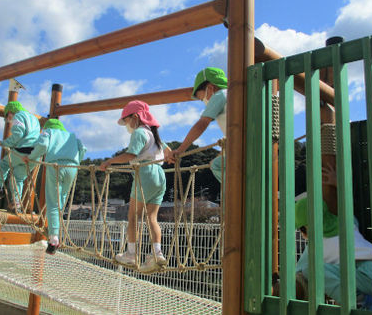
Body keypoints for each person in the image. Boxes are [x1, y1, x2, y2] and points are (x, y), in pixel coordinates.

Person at [294, 163, 372, 310]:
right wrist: (336, 182)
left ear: (306, 228)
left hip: (371, 281)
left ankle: (354, 302)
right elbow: (346, 202)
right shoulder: (347, 222)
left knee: (311, 270)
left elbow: (300, 271)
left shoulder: (316, 245)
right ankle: (368, 301)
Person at [99, 100, 170, 272]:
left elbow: (131, 154)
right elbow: (169, 153)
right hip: (160, 175)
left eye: (127, 120)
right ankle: (157, 253)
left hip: (144, 173)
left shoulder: (139, 132)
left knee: (132, 216)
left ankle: (131, 254)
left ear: (136, 117)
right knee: (151, 218)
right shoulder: (155, 135)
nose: (127, 125)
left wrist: (110, 161)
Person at [23, 119, 86, 254]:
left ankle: (53, 239)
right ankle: (56, 230)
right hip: (72, 167)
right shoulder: (72, 136)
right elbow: (82, 149)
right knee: (61, 199)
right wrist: (76, 161)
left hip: (55, 166)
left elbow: (43, 146)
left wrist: (32, 157)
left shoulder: (48, 132)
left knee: (52, 201)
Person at [166, 67, 227, 183]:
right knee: (218, 163)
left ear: (210, 88)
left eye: (202, 98)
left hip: (244, 146)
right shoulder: (233, 96)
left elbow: (202, 124)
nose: (204, 102)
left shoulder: (219, 95)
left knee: (217, 165)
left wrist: (180, 150)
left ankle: (234, 198)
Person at [0, 101, 40, 211]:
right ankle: (16, 202)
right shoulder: (34, 119)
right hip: (34, 154)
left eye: (8, 116)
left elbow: (18, 134)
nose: (9, 119)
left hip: (22, 150)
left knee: (4, 165)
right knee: (18, 178)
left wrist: (4, 143)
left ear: (10, 112)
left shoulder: (18, 116)